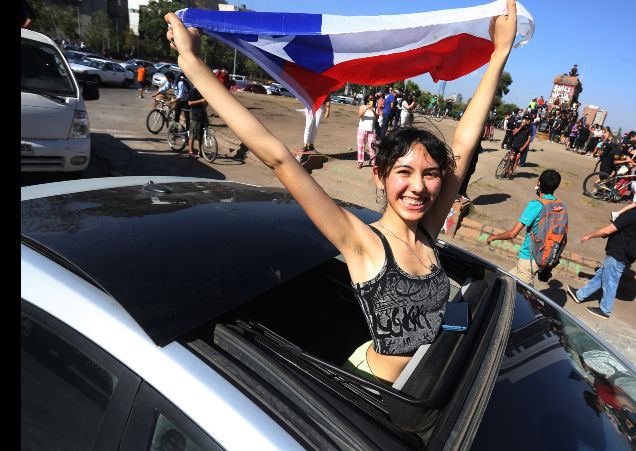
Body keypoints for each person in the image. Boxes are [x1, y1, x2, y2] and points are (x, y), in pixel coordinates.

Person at [163, 0, 520, 384]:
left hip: (424, 386)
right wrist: (193, 64)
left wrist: (499, 53)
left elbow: (464, 144)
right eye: (404, 172)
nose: (418, 186)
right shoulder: (361, 241)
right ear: (380, 176)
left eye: (430, 174)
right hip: (371, 391)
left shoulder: (429, 231)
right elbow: (278, 158)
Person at [566, 186, 636, 319]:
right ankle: (580, 295)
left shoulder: (632, 214)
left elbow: (608, 230)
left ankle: (605, 310)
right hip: (631, 253)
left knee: (610, 282)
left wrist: (589, 236)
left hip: (618, 251)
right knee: (604, 274)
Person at [486, 169, 564, 285]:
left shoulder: (536, 204)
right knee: (503, 282)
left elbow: (513, 234)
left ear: (538, 183)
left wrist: (493, 237)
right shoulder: (560, 206)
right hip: (547, 256)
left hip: (529, 259)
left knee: (517, 292)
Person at [186, 85, 207, 158]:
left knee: (201, 135)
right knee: (192, 134)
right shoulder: (193, 91)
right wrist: (201, 101)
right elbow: (190, 103)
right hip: (195, 115)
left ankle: (201, 152)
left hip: (203, 115)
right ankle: (190, 152)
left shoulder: (203, 91)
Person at [356, 100, 377, 168]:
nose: (370, 101)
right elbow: (360, 115)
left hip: (371, 130)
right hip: (362, 129)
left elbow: (377, 117)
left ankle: (373, 162)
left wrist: (373, 111)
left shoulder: (375, 108)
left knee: (372, 146)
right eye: (369, 100)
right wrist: (366, 108)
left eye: (372, 100)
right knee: (360, 146)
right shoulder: (362, 106)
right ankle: (360, 162)